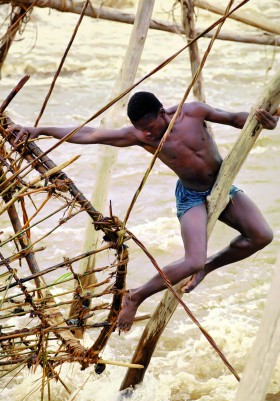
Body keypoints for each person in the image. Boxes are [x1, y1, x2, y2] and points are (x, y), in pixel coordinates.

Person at [6, 92, 279, 332]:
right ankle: (136, 296)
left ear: (163, 113)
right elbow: (90, 134)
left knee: (261, 236)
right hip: (191, 195)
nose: (147, 135)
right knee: (192, 260)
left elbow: (236, 119)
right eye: (142, 130)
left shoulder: (192, 112)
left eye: (150, 128)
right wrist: (39, 129)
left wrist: (265, 120)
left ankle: (208, 268)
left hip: (222, 184)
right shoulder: (140, 135)